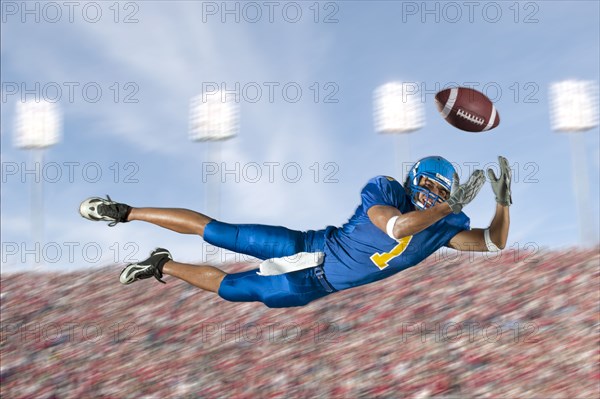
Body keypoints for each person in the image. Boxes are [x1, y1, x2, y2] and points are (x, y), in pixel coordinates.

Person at [79, 155, 511, 308]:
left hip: (313, 287)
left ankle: (164, 264)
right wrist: (446, 208)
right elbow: (396, 227)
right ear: (413, 178)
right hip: (309, 248)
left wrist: (502, 202)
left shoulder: (445, 224)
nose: (433, 195)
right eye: (430, 186)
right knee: (218, 232)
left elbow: (493, 242)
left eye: (442, 191)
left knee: (231, 291)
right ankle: (125, 211)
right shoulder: (387, 190)